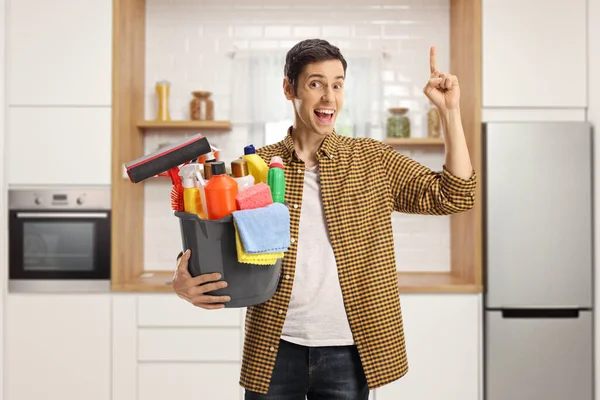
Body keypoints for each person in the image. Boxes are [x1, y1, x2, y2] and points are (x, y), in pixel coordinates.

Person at [172, 38, 476, 399]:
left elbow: (455, 195)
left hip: (349, 351)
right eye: (316, 83)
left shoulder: (371, 160)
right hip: (275, 344)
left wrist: (450, 112)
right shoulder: (254, 168)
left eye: (337, 84)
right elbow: (216, 233)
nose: (329, 97)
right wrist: (182, 275)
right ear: (289, 89)